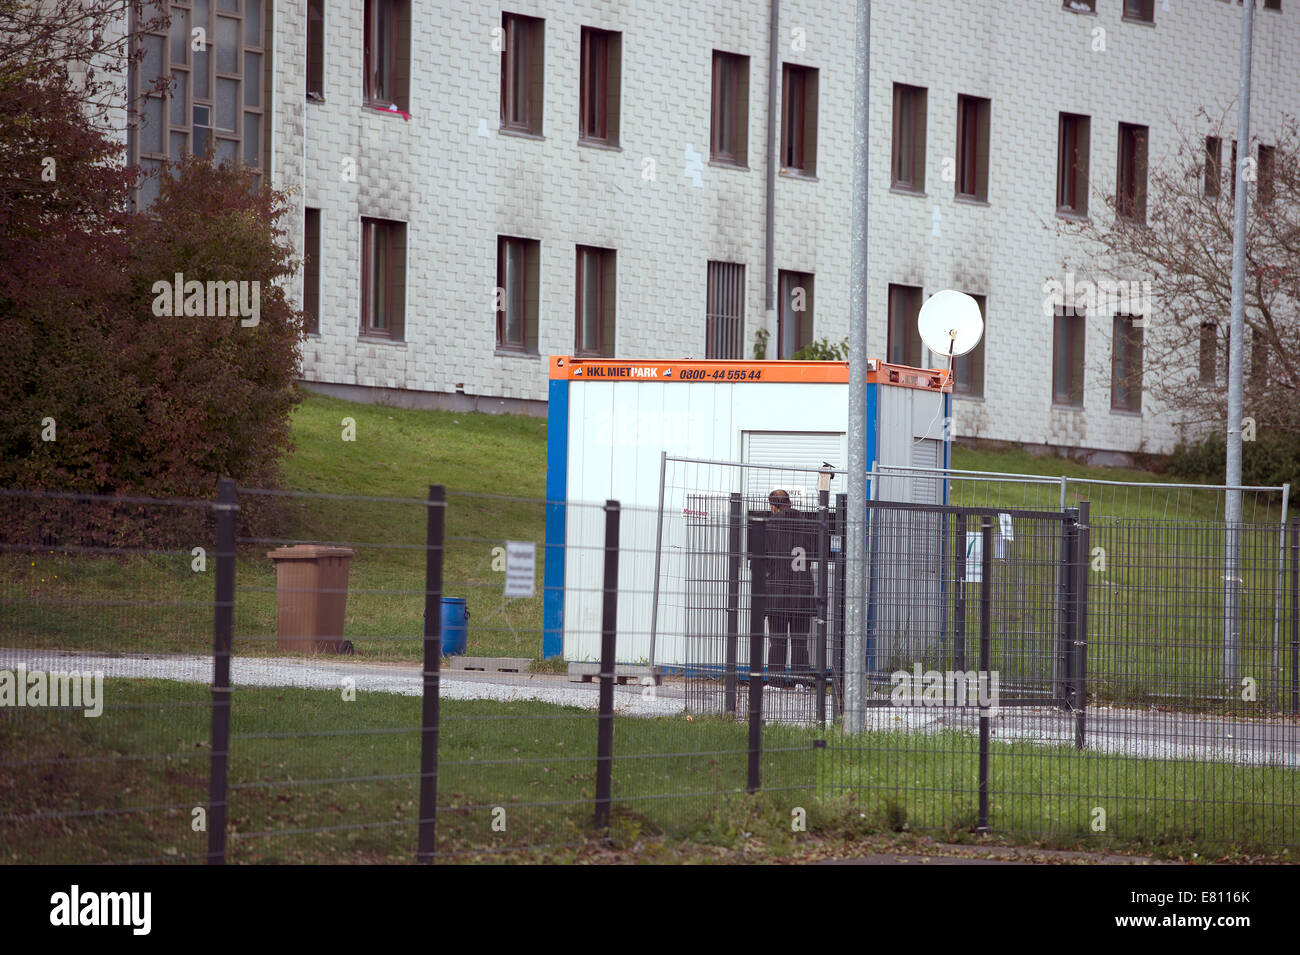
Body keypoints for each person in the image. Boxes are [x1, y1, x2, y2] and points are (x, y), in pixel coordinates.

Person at [760, 489, 815, 689]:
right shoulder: (808, 524)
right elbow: (814, 553)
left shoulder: (769, 526)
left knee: (778, 639)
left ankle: (776, 681)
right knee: (800, 640)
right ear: (790, 503)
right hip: (802, 591)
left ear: (773, 507)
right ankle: (802, 682)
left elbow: (763, 560)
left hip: (777, 593)